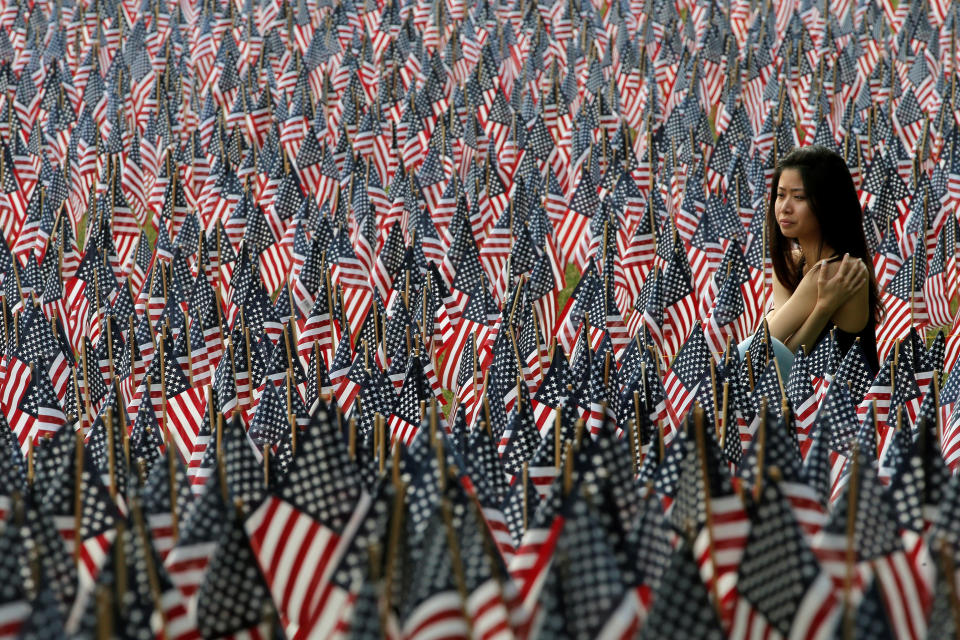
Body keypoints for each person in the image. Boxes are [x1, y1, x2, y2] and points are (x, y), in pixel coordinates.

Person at [749, 145, 881, 376]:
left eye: (798, 197)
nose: (785, 207)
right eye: (780, 195)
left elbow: (761, 353)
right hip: (801, 399)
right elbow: (769, 355)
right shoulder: (792, 262)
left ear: (828, 204)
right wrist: (822, 309)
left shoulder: (839, 270)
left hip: (848, 406)